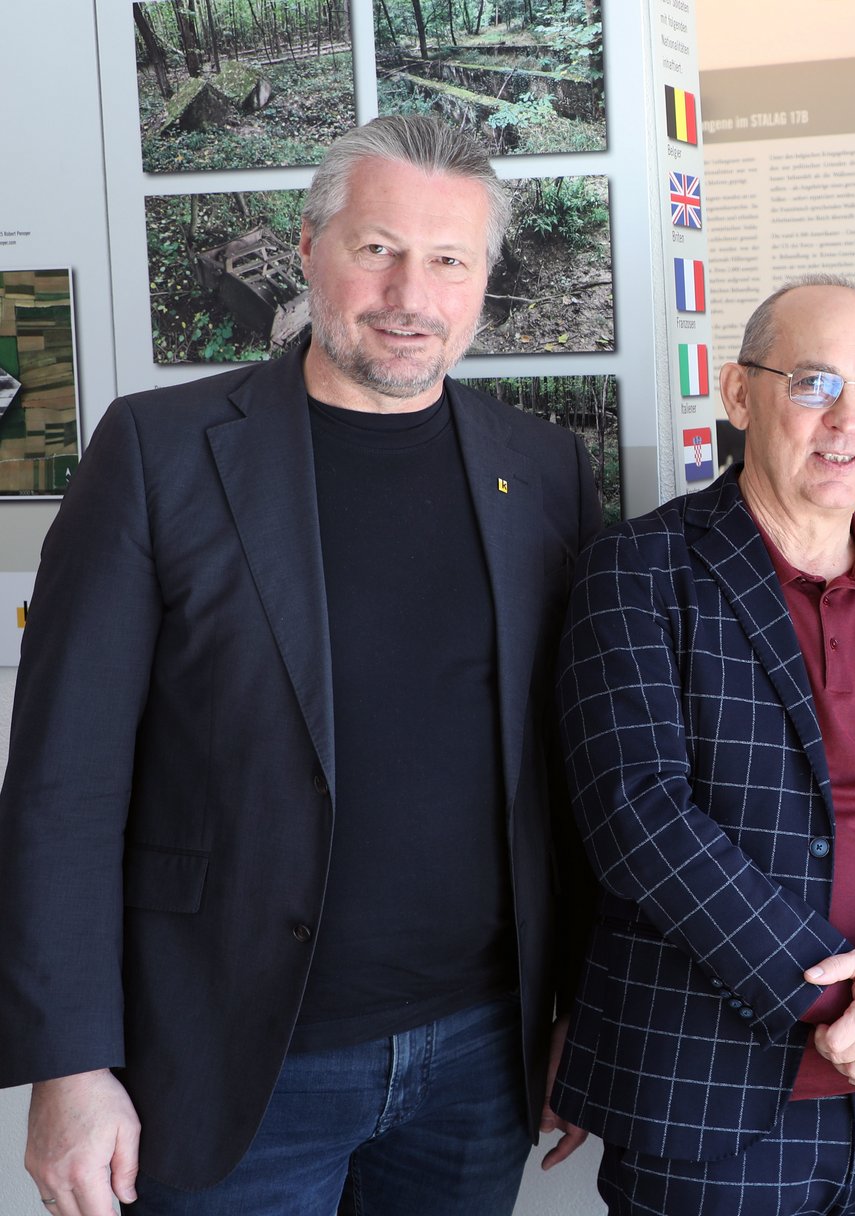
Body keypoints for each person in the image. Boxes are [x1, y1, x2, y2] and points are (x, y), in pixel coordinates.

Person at [0, 115, 603, 1215]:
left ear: (483, 281)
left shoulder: (545, 468)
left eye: (449, 259)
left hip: (478, 1057)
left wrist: (577, 1004)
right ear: (309, 247)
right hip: (233, 1056)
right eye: (378, 249)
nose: (410, 295)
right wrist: (70, 1064)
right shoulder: (158, 452)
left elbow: (571, 779)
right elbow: (62, 782)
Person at [549, 276, 855, 1215]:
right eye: (815, 384)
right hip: (712, 1097)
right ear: (738, 393)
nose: (849, 420)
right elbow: (639, 818)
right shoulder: (637, 570)